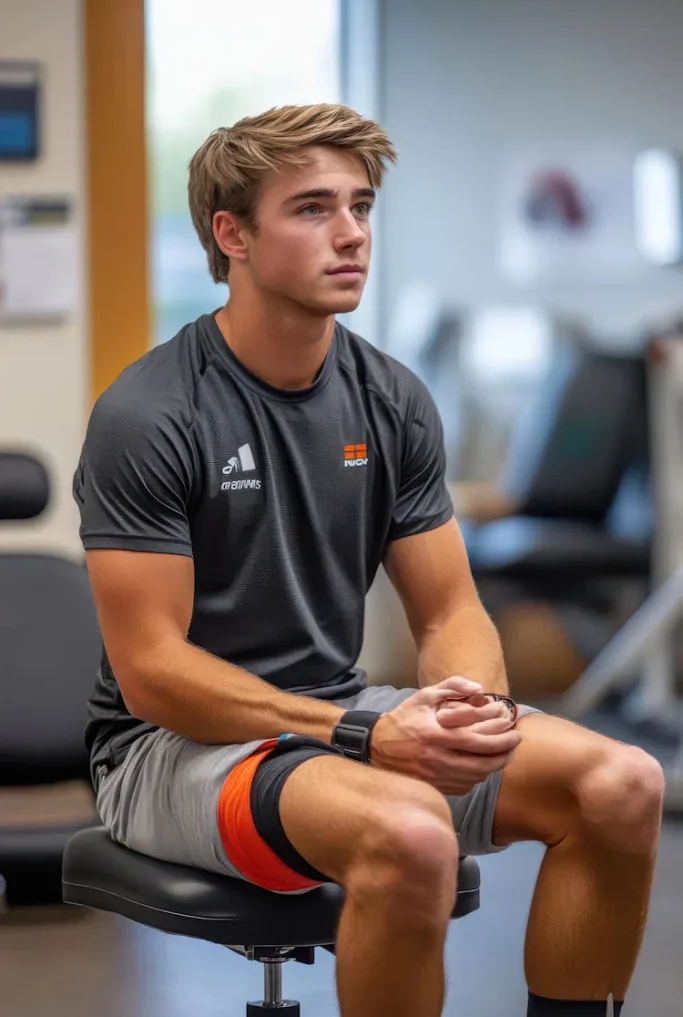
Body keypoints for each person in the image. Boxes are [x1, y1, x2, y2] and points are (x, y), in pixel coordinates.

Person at [73, 104, 664, 1017]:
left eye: (361, 205)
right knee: (411, 832)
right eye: (312, 208)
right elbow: (152, 675)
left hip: (336, 710)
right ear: (230, 234)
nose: (351, 234)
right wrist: (358, 733)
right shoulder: (151, 413)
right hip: (171, 750)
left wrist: (472, 707)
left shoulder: (388, 398)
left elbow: (448, 611)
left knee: (621, 783)